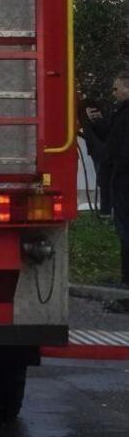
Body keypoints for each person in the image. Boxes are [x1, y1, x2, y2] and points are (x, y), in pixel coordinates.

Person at [81, 70, 129, 285]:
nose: (114, 92)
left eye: (116, 88)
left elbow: (114, 147)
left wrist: (102, 156)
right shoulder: (122, 112)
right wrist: (97, 124)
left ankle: (126, 280)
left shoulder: (125, 113)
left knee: (125, 227)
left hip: (123, 178)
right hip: (121, 176)